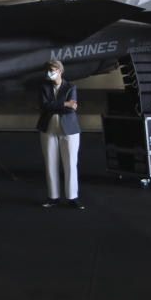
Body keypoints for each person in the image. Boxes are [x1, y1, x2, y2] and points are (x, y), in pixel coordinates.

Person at [36, 59, 85, 210]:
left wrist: (55, 106)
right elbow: (44, 106)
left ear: (60, 71)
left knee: (70, 164)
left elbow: (71, 110)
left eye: (52, 70)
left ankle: (72, 198)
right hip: (48, 129)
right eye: (48, 70)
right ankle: (53, 197)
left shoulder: (71, 86)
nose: (49, 73)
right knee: (50, 164)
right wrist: (64, 103)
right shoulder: (44, 87)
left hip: (69, 130)